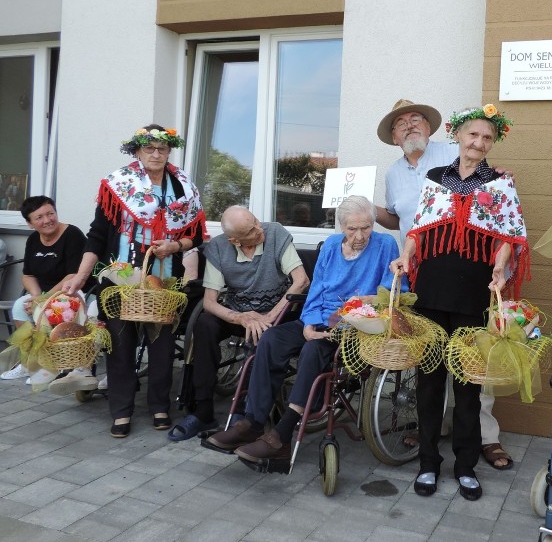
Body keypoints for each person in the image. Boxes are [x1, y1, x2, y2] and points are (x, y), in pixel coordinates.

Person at [391, 104, 529, 501]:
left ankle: (465, 466)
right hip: (432, 290)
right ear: (459, 137)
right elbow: (419, 227)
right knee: (431, 383)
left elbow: (507, 235)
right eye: (473, 135)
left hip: (475, 292)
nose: (479, 143)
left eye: (487, 137)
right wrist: (405, 254)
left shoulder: (500, 183)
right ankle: (428, 464)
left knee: (468, 384)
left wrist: (501, 268)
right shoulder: (436, 178)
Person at [205, 196, 399, 469]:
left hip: (356, 324)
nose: (359, 236)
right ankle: (253, 421)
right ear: (340, 226)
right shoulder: (331, 246)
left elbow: (394, 290)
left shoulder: (386, 245)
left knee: (314, 350)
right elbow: (316, 289)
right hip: (319, 318)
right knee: (271, 338)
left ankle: (282, 435)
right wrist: (307, 324)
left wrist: (367, 301)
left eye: (365, 228)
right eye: (351, 229)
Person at [63, 124, 206, 438]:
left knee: (163, 347)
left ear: (169, 151)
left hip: (165, 282)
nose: (156, 154)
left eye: (162, 149)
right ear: (137, 151)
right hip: (120, 279)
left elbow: (194, 235)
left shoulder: (183, 186)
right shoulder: (118, 184)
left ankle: (159, 406)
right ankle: (121, 410)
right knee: (121, 347)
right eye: (149, 148)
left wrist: (175, 245)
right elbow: (98, 236)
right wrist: (81, 276)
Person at [167, 206, 310, 441]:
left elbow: (301, 281)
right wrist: (240, 317)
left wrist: (268, 318)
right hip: (239, 312)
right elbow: (210, 302)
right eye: (251, 230)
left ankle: (245, 413)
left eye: (256, 222)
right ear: (234, 240)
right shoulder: (219, 248)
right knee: (204, 325)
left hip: (278, 312)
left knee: (261, 333)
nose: (258, 230)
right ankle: (203, 410)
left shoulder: (275, 233)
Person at [0, 197, 92, 390]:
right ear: (30, 223)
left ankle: (51, 365)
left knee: (49, 310)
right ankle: (28, 363)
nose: (47, 220)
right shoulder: (34, 239)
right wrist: (35, 296)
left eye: (50, 213)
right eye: (39, 217)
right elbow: (28, 274)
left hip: (73, 292)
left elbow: (73, 274)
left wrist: (43, 299)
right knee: (19, 306)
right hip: (45, 293)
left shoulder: (72, 234)